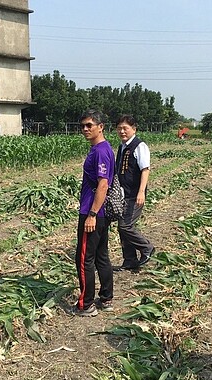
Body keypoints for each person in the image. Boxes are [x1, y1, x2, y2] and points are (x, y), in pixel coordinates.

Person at [74, 109, 115, 316]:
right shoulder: (103, 148)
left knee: (84, 259)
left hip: (92, 212)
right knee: (101, 256)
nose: (85, 129)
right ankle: (106, 298)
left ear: (101, 127)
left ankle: (86, 304)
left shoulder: (100, 151)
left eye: (89, 125)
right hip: (99, 213)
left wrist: (91, 214)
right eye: (82, 126)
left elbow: (103, 185)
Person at [114, 115, 155, 271]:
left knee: (125, 226)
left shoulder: (139, 146)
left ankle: (147, 248)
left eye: (125, 128)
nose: (122, 131)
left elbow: (145, 169)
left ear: (134, 129)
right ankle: (129, 260)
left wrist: (141, 192)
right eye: (119, 128)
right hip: (124, 194)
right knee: (122, 227)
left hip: (134, 193)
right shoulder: (122, 146)